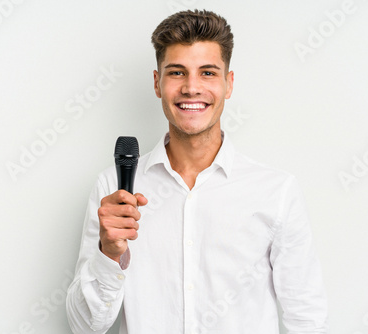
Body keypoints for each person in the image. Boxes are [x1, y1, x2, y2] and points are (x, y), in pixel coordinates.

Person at [66, 9, 328, 334]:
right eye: (176, 72)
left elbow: (307, 318)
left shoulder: (276, 191)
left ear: (228, 84)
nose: (191, 88)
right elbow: (84, 326)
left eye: (207, 73)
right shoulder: (113, 189)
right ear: (157, 83)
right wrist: (109, 252)